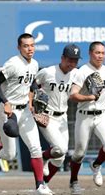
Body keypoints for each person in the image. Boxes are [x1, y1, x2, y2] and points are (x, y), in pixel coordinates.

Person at [0, 33, 53, 195]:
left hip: (25, 112)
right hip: (8, 111)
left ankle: (40, 185)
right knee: (9, 154)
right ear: (19, 48)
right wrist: (5, 101)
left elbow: (31, 83)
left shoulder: (35, 64)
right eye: (26, 46)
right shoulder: (13, 64)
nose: (30, 49)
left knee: (36, 148)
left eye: (32, 45)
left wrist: (37, 91)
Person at [68, 41, 105, 195]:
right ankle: (74, 182)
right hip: (84, 117)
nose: (100, 56)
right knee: (79, 153)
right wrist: (88, 97)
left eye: (103, 53)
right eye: (97, 53)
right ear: (90, 53)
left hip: (102, 115)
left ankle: (96, 165)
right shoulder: (82, 71)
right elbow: (73, 95)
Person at [34, 44, 80, 187]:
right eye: (70, 59)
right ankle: (43, 157)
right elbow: (32, 84)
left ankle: (44, 184)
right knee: (60, 149)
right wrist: (34, 101)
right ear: (62, 58)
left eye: (75, 60)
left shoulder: (76, 74)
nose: (72, 63)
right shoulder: (48, 72)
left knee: (60, 158)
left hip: (63, 117)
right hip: (46, 115)